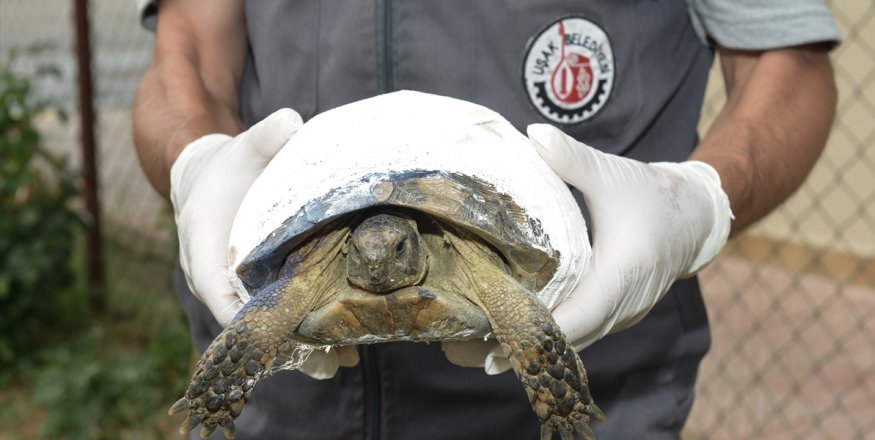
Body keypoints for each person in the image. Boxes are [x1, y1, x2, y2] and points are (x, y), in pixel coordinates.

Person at [133, 1, 839, 438]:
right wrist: (194, 161)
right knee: (264, 317)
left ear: (418, 243)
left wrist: (700, 201)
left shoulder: (467, 262)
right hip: (288, 414)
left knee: (525, 316)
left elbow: (790, 57)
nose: (378, 260)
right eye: (367, 254)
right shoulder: (328, 267)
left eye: (395, 248)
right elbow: (186, 45)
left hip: (608, 379)